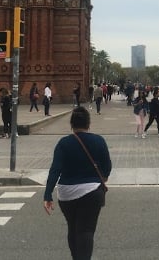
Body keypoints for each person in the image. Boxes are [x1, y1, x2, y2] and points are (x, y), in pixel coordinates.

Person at [43, 107, 111, 260]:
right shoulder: (99, 141)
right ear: (89, 124)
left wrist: (47, 195)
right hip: (92, 191)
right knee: (86, 230)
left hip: (66, 193)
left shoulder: (63, 143)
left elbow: (55, 170)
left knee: (73, 228)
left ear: (71, 125)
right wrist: (103, 177)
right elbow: (107, 167)